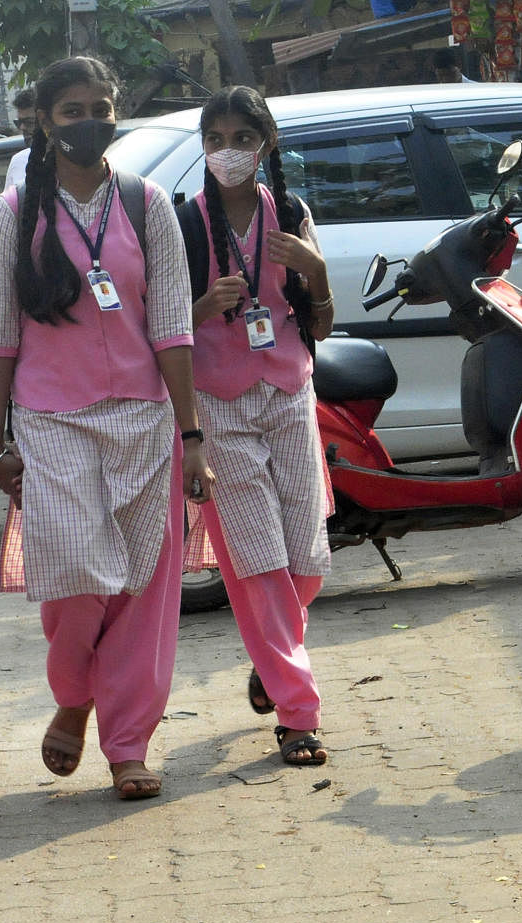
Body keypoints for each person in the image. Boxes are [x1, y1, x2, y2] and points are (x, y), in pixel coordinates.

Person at [0, 57, 213, 800]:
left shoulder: (149, 205)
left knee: (145, 587)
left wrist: (192, 435)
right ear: (44, 121)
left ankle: (127, 744)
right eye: (72, 108)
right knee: (76, 574)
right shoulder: (13, 214)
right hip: (52, 421)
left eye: (101, 106)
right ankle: (74, 692)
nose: (89, 120)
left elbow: (174, 327)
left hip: (146, 419)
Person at [177, 84, 335, 766]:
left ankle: (274, 658)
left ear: (265, 145)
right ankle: (297, 712)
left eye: (243, 139)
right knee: (256, 556)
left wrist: (318, 273)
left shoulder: (291, 212)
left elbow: (320, 325)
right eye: (216, 139)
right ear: (203, 148)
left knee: (308, 556)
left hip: (289, 392)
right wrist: (202, 304)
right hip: (220, 401)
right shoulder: (183, 224)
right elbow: (163, 333)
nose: (229, 152)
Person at [4, 87, 37, 189]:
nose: (22, 127)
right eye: (19, 123)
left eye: (29, 122)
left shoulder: (68, 162)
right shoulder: (18, 161)